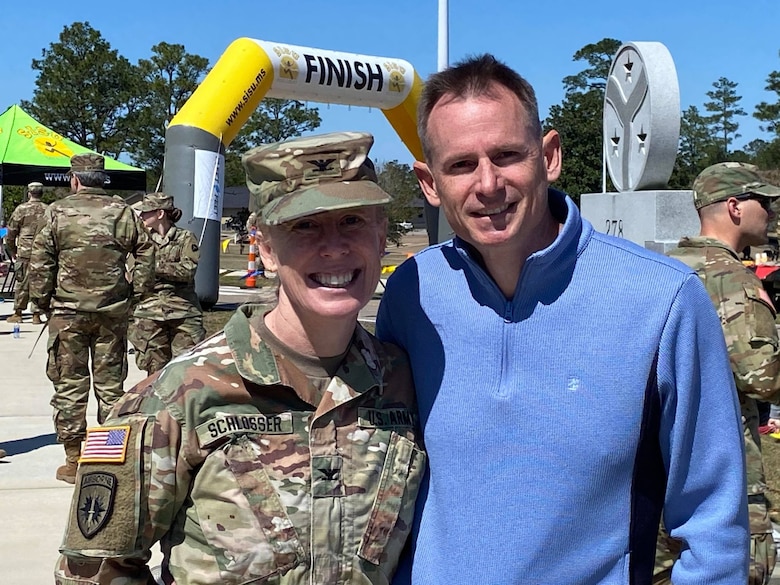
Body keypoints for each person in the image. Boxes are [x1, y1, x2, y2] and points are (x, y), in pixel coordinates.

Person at [376, 54, 749, 584]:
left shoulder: (664, 299)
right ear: (429, 183)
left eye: (506, 155)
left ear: (548, 156)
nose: (487, 183)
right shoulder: (411, 293)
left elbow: (714, 522)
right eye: (460, 164)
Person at [54, 132, 425, 585]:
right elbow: (93, 570)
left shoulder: (405, 382)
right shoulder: (179, 395)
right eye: (304, 225)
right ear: (264, 246)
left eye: (352, 221)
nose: (334, 246)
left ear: (381, 234)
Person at [654, 162, 780, 585]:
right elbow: (763, 379)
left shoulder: (662, 268)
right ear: (734, 207)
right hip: (727, 468)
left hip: (660, 468)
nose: (771, 211)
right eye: (762, 201)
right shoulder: (731, 279)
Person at [29, 153, 154, 484]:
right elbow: (146, 250)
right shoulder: (122, 212)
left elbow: (41, 261)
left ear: (74, 179)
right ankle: (109, 456)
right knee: (111, 387)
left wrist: (40, 301)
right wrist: (137, 290)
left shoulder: (57, 212)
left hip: (68, 314)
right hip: (112, 313)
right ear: (102, 179)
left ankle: (74, 459)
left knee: (70, 384)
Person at [128, 192, 205, 376]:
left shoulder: (185, 238)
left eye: (146, 212)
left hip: (183, 311)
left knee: (186, 370)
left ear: (160, 213)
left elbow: (188, 270)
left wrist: (152, 266)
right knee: (154, 371)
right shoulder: (140, 241)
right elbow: (134, 275)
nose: (142, 216)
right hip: (149, 312)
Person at [6, 181, 48, 324]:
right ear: (41, 194)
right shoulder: (48, 210)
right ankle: (36, 314)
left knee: (22, 282)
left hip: (24, 251)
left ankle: (18, 313)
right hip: (42, 252)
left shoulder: (21, 209)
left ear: (29, 193)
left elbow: (11, 232)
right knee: (39, 282)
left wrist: (12, 250)